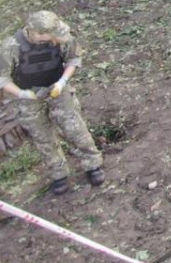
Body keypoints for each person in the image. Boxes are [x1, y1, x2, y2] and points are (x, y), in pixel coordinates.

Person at [0, 11, 104, 195]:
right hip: (28, 96)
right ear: (35, 33)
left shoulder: (61, 36)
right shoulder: (11, 47)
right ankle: (58, 174)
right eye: (49, 37)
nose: (55, 40)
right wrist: (21, 94)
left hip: (57, 88)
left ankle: (93, 164)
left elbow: (73, 58)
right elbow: (3, 78)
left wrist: (63, 81)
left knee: (74, 127)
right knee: (41, 136)